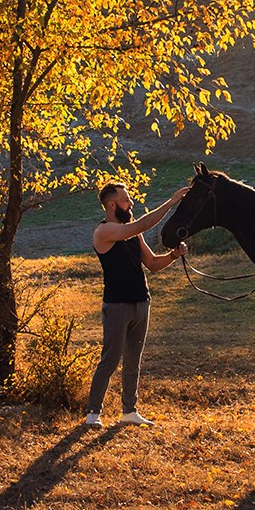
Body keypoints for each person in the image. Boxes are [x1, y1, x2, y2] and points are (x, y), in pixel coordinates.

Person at [86, 180, 188, 427]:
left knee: (133, 360)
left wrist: (174, 255)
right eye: (125, 199)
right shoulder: (105, 232)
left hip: (141, 302)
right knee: (110, 360)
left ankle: (129, 412)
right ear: (111, 204)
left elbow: (152, 263)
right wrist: (171, 203)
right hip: (117, 305)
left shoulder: (132, 233)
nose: (130, 203)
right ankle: (93, 414)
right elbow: (142, 223)